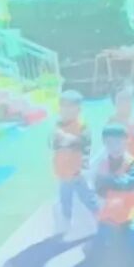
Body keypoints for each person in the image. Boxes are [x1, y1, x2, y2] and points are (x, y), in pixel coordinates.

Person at [83, 122, 134, 267]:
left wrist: (108, 181)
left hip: (132, 212)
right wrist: (113, 182)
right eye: (110, 142)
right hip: (111, 212)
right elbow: (99, 189)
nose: (115, 146)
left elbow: (129, 183)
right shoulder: (102, 164)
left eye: (118, 141)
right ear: (105, 144)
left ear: (126, 142)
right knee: (99, 239)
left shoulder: (133, 163)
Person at [51, 89, 96, 235]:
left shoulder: (82, 127)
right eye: (63, 106)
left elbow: (83, 144)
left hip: (77, 173)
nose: (65, 110)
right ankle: (66, 224)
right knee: (66, 199)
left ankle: (101, 217)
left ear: (78, 110)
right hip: (63, 173)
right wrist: (60, 139)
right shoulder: (58, 126)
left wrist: (67, 139)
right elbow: (53, 144)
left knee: (87, 198)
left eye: (70, 107)